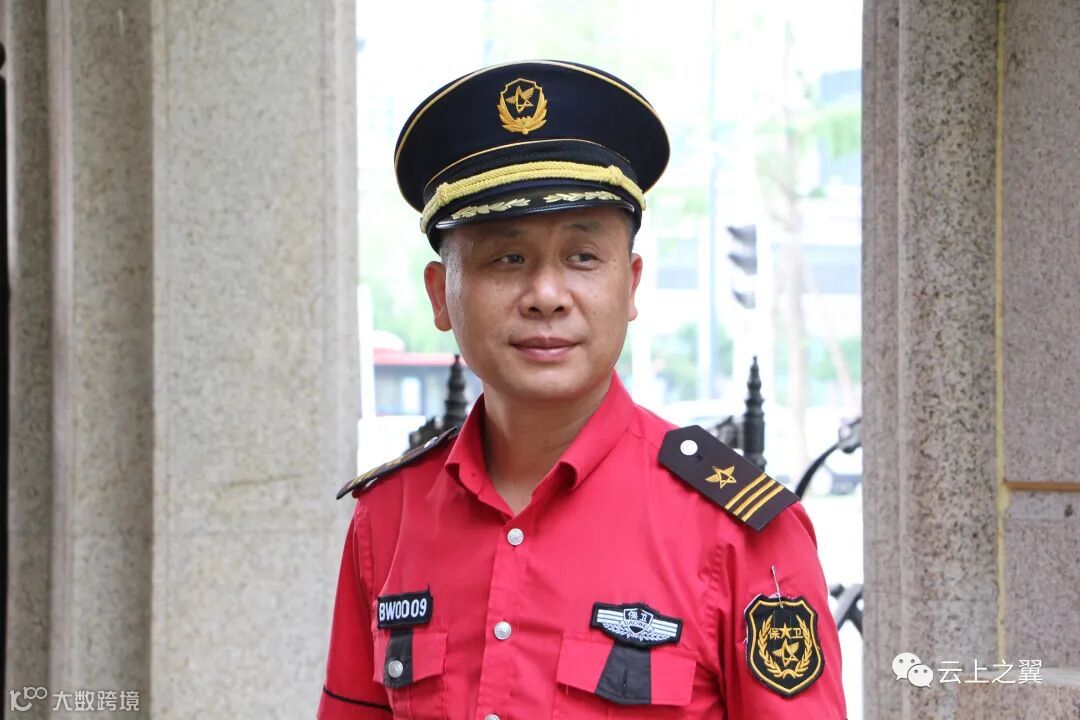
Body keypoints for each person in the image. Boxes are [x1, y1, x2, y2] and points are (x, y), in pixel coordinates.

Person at [317, 60, 846, 720]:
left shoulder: (738, 533)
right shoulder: (388, 519)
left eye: (583, 257)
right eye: (507, 258)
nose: (546, 295)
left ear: (632, 283)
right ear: (440, 294)